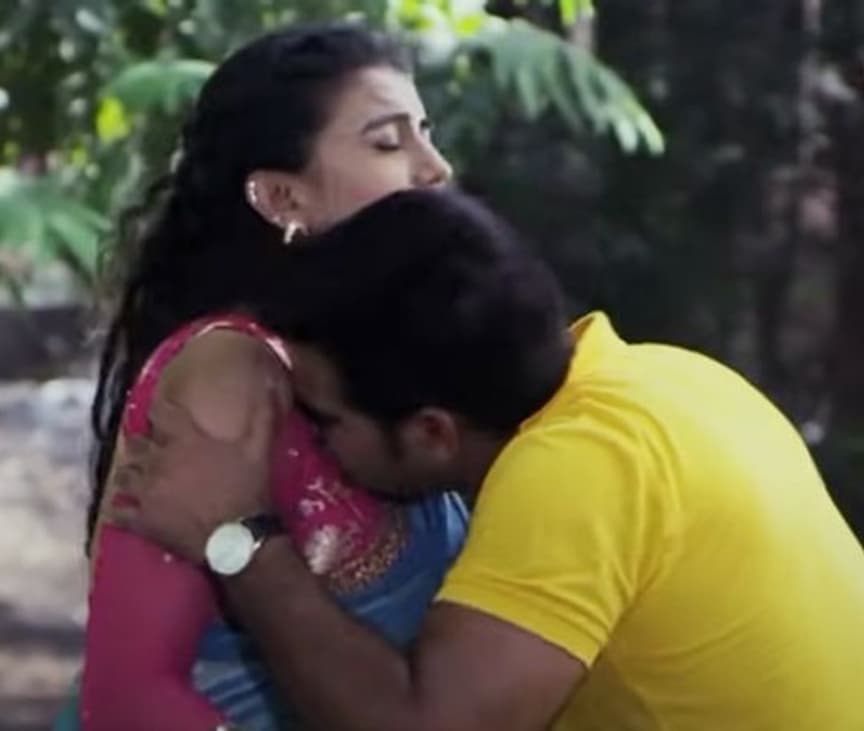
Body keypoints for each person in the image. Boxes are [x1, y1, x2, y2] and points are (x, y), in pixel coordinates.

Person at [112, 188, 864, 730]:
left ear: (432, 432)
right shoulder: (670, 375)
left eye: (326, 418)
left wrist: (239, 537)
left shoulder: (575, 467)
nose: (314, 443)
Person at [55, 23, 469, 731]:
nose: (435, 169)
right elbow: (128, 697)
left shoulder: (407, 351)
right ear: (282, 197)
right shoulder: (227, 373)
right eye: (387, 143)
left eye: (425, 134)